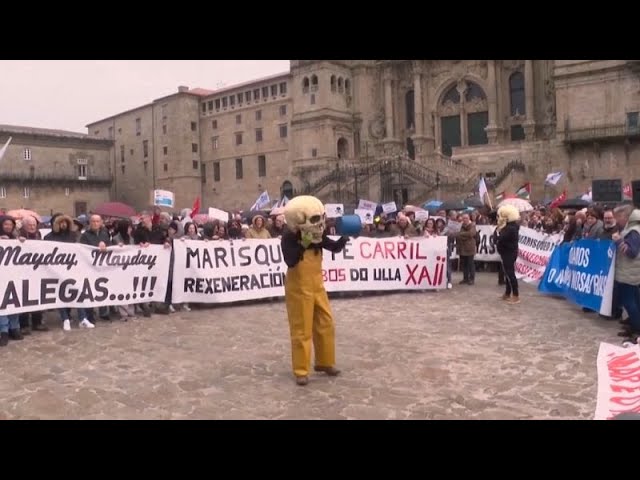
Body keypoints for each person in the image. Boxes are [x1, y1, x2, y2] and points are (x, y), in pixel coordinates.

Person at [281, 196, 348, 386]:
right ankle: (301, 370)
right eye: (314, 219)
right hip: (299, 289)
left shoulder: (317, 234)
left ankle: (325, 362)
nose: (320, 225)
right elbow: (290, 260)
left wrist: (342, 241)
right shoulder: (288, 237)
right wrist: (303, 243)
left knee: (326, 322)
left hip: (318, 286)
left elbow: (330, 246)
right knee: (302, 329)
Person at [612, 209, 640, 343]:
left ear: (626, 216)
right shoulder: (635, 229)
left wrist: (618, 241)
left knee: (629, 302)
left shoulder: (634, 232)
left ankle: (637, 329)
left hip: (628, 273)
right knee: (635, 300)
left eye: (618, 217)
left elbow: (632, 252)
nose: (617, 220)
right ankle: (634, 326)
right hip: (631, 272)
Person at [496, 205, 521, 304]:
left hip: (509, 253)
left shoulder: (510, 228)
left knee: (510, 273)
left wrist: (498, 233)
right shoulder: (509, 227)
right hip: (506, 252)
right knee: (507, 273)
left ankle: (516, 295)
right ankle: (507, 293)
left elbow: (500, 238)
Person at [456, 213, 477, 285]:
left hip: (470, 247)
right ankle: (465, 278)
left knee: (470, 264)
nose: (464, 220)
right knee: (464, 264)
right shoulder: (460, 226)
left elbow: (471, 234)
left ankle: (472, 278)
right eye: (463, 218)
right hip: (462, 248)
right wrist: (464, 235)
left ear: (468, 219)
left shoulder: (472, 225)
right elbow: (457, 234)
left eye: (466, 218)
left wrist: (462, 234)